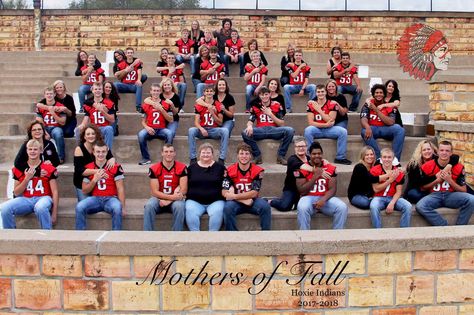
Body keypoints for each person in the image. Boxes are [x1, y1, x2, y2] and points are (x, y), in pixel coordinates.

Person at [1, 139, 58, 230]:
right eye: (30, 149)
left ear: (41, 151)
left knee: (40, 207)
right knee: (4, 208)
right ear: (26, 150)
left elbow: (55, 192)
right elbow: (16, 192)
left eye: (35, 149)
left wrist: (54, 213)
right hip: (26, 199)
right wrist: (27, 178)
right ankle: (11, 235)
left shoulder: (48, 167)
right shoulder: (20, 168)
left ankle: (47, 234)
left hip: (44, 197)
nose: (32, 151)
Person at [416, 140, 474, 226]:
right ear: (438, 152)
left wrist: (449, 180)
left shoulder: (458, 167)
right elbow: (422, 188)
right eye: (442, 150)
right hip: (434, 195)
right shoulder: (427, 166)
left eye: (447, 151)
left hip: (451, 195)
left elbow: (463, 190)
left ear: (451, 153)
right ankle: (443, 225)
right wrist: (437, 181)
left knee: (472, 199)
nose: (444, 153)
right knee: (420, 206)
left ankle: (460, 227)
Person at [296, 141, 348, 230]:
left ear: (322, 154)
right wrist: (315, 176)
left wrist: (323, 200)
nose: (317, 156)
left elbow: (333, 189)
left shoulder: (330, 168)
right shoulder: (303, 168)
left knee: (342, 207)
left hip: (326, 199)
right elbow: (302, 190)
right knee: (302, 207)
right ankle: (304, 236)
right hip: (308, 198)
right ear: (309, 154)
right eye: (314, 154)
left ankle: (338, 236)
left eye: (319, 153)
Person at [75, 141, 125, 230]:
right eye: (98, 152)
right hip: (95, 199)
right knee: (79, 207)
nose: (100, 154)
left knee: (117, 208)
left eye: (103, 151)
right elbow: (84, 190)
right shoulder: (88, 168)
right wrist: (94, 179)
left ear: (107, 152)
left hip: (111, 198)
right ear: (93, 152)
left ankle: (116, 236)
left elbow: (120, 188)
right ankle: (80, 235)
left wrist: (123, 207)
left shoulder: (116, 167)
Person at [222, 143, 271, 231]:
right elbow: (224, 192)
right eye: (241, 153)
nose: (244, 156)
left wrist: (234, 196)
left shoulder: (257, 170)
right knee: (227, 208)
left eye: (247, 154)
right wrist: (242, 200)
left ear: (251, 156)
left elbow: (254, 193)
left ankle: (265, 235)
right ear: (237, 156)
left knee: (265, 207)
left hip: (253, 201)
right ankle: (232, 236)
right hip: (236, 202)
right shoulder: (230, 170)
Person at [242, 87, 294, 165]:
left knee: (290, 130)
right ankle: (257, 156)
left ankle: (281, 156)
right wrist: (249, 126)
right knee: (244, 132)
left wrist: (270, 114)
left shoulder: (277, 105)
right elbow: (251, 120)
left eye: (266, 94)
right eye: (262, 95)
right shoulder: (256, 106)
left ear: (270, 94)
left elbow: (282, 124)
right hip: (261, 130)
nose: (264, 97)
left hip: (274, 130)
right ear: (259, 96)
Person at [304, 84, 351, 165]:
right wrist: (325, 125)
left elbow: (331, 120)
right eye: (318, 92)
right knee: (308, 130)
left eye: (322, 91)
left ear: (326, 92)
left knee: (343, 131)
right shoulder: (311, 104)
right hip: (317, 129)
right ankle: (309, 156)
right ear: (315, 93)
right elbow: (311, 123)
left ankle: (340, 157)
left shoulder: (332, 103)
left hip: (329, 130)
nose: (320, 93)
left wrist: (319, 110)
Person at [144, 144, 187, 231]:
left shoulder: (182, 167)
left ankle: (177, 235)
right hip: (158, 198)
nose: (169, 154)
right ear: (162, 153)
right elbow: (154, 192)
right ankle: (147, 235)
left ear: (175, 153)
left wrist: (169, 200)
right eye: (166, 152)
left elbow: (184, 190)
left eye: (171, 151)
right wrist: (170, 197)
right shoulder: (154, 168)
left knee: (180, 207)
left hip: (175, 199)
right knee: (149, 206)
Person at [185, 143, 226, 231]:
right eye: (203, 152)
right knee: (190, 210)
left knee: (218, 211)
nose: (205, 155)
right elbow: (184, 183)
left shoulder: (220, 168)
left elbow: (226, 182)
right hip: (195, 201)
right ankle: (195, 236)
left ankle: (212, 236)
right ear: (199, 154)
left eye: (208, 153)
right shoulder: (191, 168)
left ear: (212, 154)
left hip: (215, 201)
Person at [360, 84, 405, 160]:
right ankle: (378, 158)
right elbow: (363, 119)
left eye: (381, 92)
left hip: (386, 129)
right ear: (373, 94)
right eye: (376, 93)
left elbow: (391, 122)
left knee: (400, 130)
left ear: (384, 94)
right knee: (364, 131)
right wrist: (367, 127)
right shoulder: (368, 104)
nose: (379, 94)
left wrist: (376, 110)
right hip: (373, 129)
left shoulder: (388, 105)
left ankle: (395, 160)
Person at [369, 148, 412, 228]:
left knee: (408, 206)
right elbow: (376, 189)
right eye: (384, 157)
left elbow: (398, 191)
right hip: (379, 197)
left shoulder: (398, 172)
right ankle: (378, 232)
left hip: (393, 197)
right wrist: (390, 180)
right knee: (373, 206)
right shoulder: (374, 170)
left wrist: (392, 203)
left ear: (393, 158)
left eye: (389, 157)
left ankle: (404, 231)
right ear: (381, 158)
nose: (387, 159)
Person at [188, 84, 229, 164]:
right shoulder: (199, 105)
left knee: (225, 131)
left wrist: (212, 113)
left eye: (211, 91)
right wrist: (201, 129)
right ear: (204, 93)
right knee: (191, 130)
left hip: (214, 130)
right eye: (207, 91)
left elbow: (220, 123)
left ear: (214, 93)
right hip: (203, 129)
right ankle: (193, 158)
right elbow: (196, 122)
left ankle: (221, 158)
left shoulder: (218, 105)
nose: (209, 93)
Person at [74, 124, 115, 201]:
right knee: (84, 206)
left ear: (96, 135)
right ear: (84, 136)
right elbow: (80, 171)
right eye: (88, 134)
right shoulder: (79, 149)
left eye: (93, 133)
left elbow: (110, 156)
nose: (91, 136)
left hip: (99, 181)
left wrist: (112, 158)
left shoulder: (101, 145)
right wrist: (98, 171)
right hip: (82, 182)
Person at [138, 83, 174, 165]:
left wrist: (161, 109)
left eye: (157, 91)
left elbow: (171, 119)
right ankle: (146, 158)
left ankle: (167, 157)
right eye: (154, 90)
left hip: (161, 129)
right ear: (150, 91)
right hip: (150, 128)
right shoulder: (145, 105)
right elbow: (143, 121)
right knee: (141, 135)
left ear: (160, 92)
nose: (155, 92)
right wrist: (147, 127)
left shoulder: (166, 104)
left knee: (169, 133)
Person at [270, 137, 308, 212]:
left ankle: (295, 202)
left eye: (303, 146)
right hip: (291, 189)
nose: (301, 148)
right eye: (298, 146)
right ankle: (271, 201)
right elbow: (300, 165)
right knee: (285, 206)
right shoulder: (292, 159)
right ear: (295, 148)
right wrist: (314, 169)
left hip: (306, 188)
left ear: (307, 147)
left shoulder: (309, 159)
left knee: (299, 207)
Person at [76, 82, 116, 150]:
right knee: (77, 129)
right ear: (92, 90)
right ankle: (82, 151)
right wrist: (82, 125)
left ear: (102, 90)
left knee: (109, 129)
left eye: (99, 89)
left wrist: (102, 111)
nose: (97, 91)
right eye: (96, 89)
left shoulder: (109, 103)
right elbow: (86, 117)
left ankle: (107, 152)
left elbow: (112, 120)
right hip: (93, 128)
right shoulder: (88, 104)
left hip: (104, 128)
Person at [35, 87, 66, 164]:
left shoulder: (60, 106)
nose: (49, 95)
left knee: (58, 134)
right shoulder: (41, 107)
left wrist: (53, 113)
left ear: (55, 94)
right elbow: (39, 121)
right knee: (35, 132)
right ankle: (36, 157)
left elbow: (63, 122)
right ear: (44, 95)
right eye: (47, 94)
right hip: (44, 127)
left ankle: (60, 157)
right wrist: (45, 132)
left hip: (56, 127)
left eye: (51, 94)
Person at [113, 47, 147, 113]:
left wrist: (139, 80)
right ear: (125, 54)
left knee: (139, 85)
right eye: (128, 53)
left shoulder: (137, 61)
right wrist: (126, 70)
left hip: (133, 85)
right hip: (124, 84)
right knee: (115, 85)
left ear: (133, 53)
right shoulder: (120, 64)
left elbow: (139, 71)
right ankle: (115, 107)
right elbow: (118, 76)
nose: (130, 54)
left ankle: (138, 107)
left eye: (131, 53)